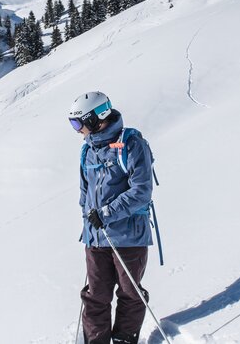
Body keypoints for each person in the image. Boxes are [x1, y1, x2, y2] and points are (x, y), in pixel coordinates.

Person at [69, 91, 155, 344]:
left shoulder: (132, 145)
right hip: (96, 238)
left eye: (78, 123)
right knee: (95, 295)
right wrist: (89, 222)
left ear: (95, 119)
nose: (77, 130)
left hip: (128, 236)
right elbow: (85, 194)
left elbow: (141, 192)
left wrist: (106, 214)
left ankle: (124, 339)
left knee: (130, 293)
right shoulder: (88, 150)